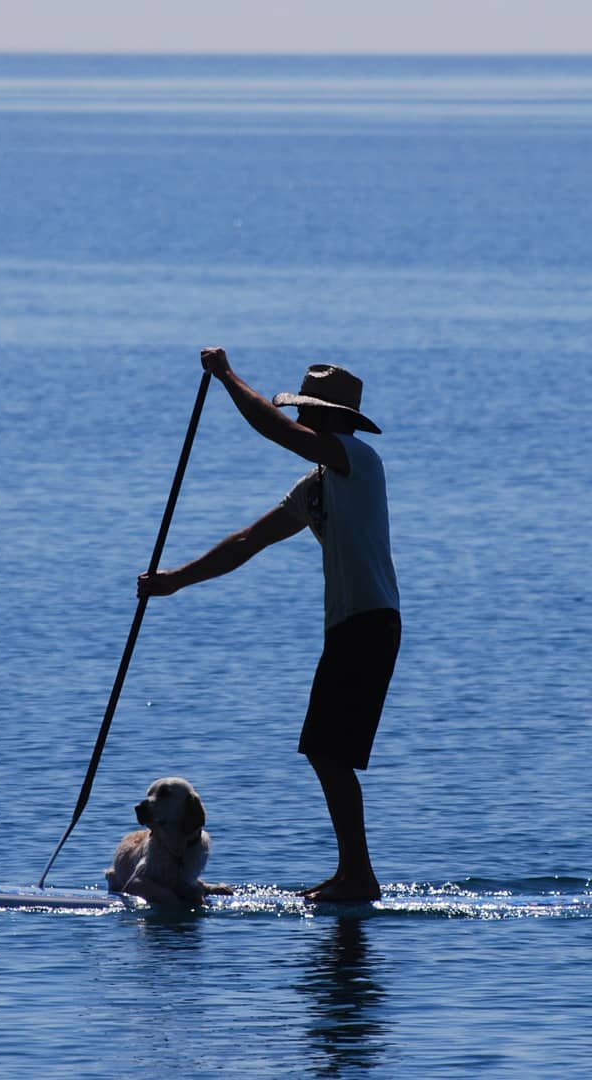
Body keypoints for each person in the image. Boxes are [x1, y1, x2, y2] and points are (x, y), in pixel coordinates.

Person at [137, 348, 401, 902]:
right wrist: (174, 581)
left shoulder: (358, 459)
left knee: (329, 752)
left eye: (307, 410)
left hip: (371, 622)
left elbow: (277, 430)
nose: (300, 417)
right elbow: (246, 542)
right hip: (348, 626)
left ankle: (358, 875)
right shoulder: (316, 486)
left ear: (328, 417)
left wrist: (226, 376)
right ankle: (352, 872)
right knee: (324, 751)